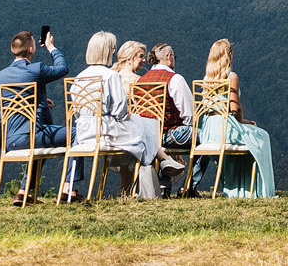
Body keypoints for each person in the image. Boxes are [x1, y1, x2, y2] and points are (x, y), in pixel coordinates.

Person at [64, 31, 161, 201]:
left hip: (84, 132)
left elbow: (77, 110)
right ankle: (153, 168)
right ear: (108, 51)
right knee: (146, 125)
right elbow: (119, 111)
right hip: (106, 131)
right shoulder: (110, 76)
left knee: (141, 128)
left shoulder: (79, 77)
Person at [0, 27, 70, 206]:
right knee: (77, 135)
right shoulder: (35, 70)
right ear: (31, 49)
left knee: (38, 142)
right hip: (32, 136)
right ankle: (68, 190)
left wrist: (39, 102)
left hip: (8, 139)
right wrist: (51, 47)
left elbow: (1, 106)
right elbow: (63, 69)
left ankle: (24, 192)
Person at [190, 38, 275, 198]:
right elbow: (235, 108)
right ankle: (258, 190)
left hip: (208, 130)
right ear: (229, 54)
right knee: (262, 136)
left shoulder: (207, 79)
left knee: (252, 138)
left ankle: (236, 188)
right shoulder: (231, 76)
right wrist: (244, 121)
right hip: (225, 128)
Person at [140, 44, 196, 197]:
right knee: (204, 136)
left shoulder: (140, 81)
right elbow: (189, 115)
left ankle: (164, 185)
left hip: (147, 137)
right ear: (169, 57)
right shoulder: (175, 79)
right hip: (169, 134)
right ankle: (191, 186)